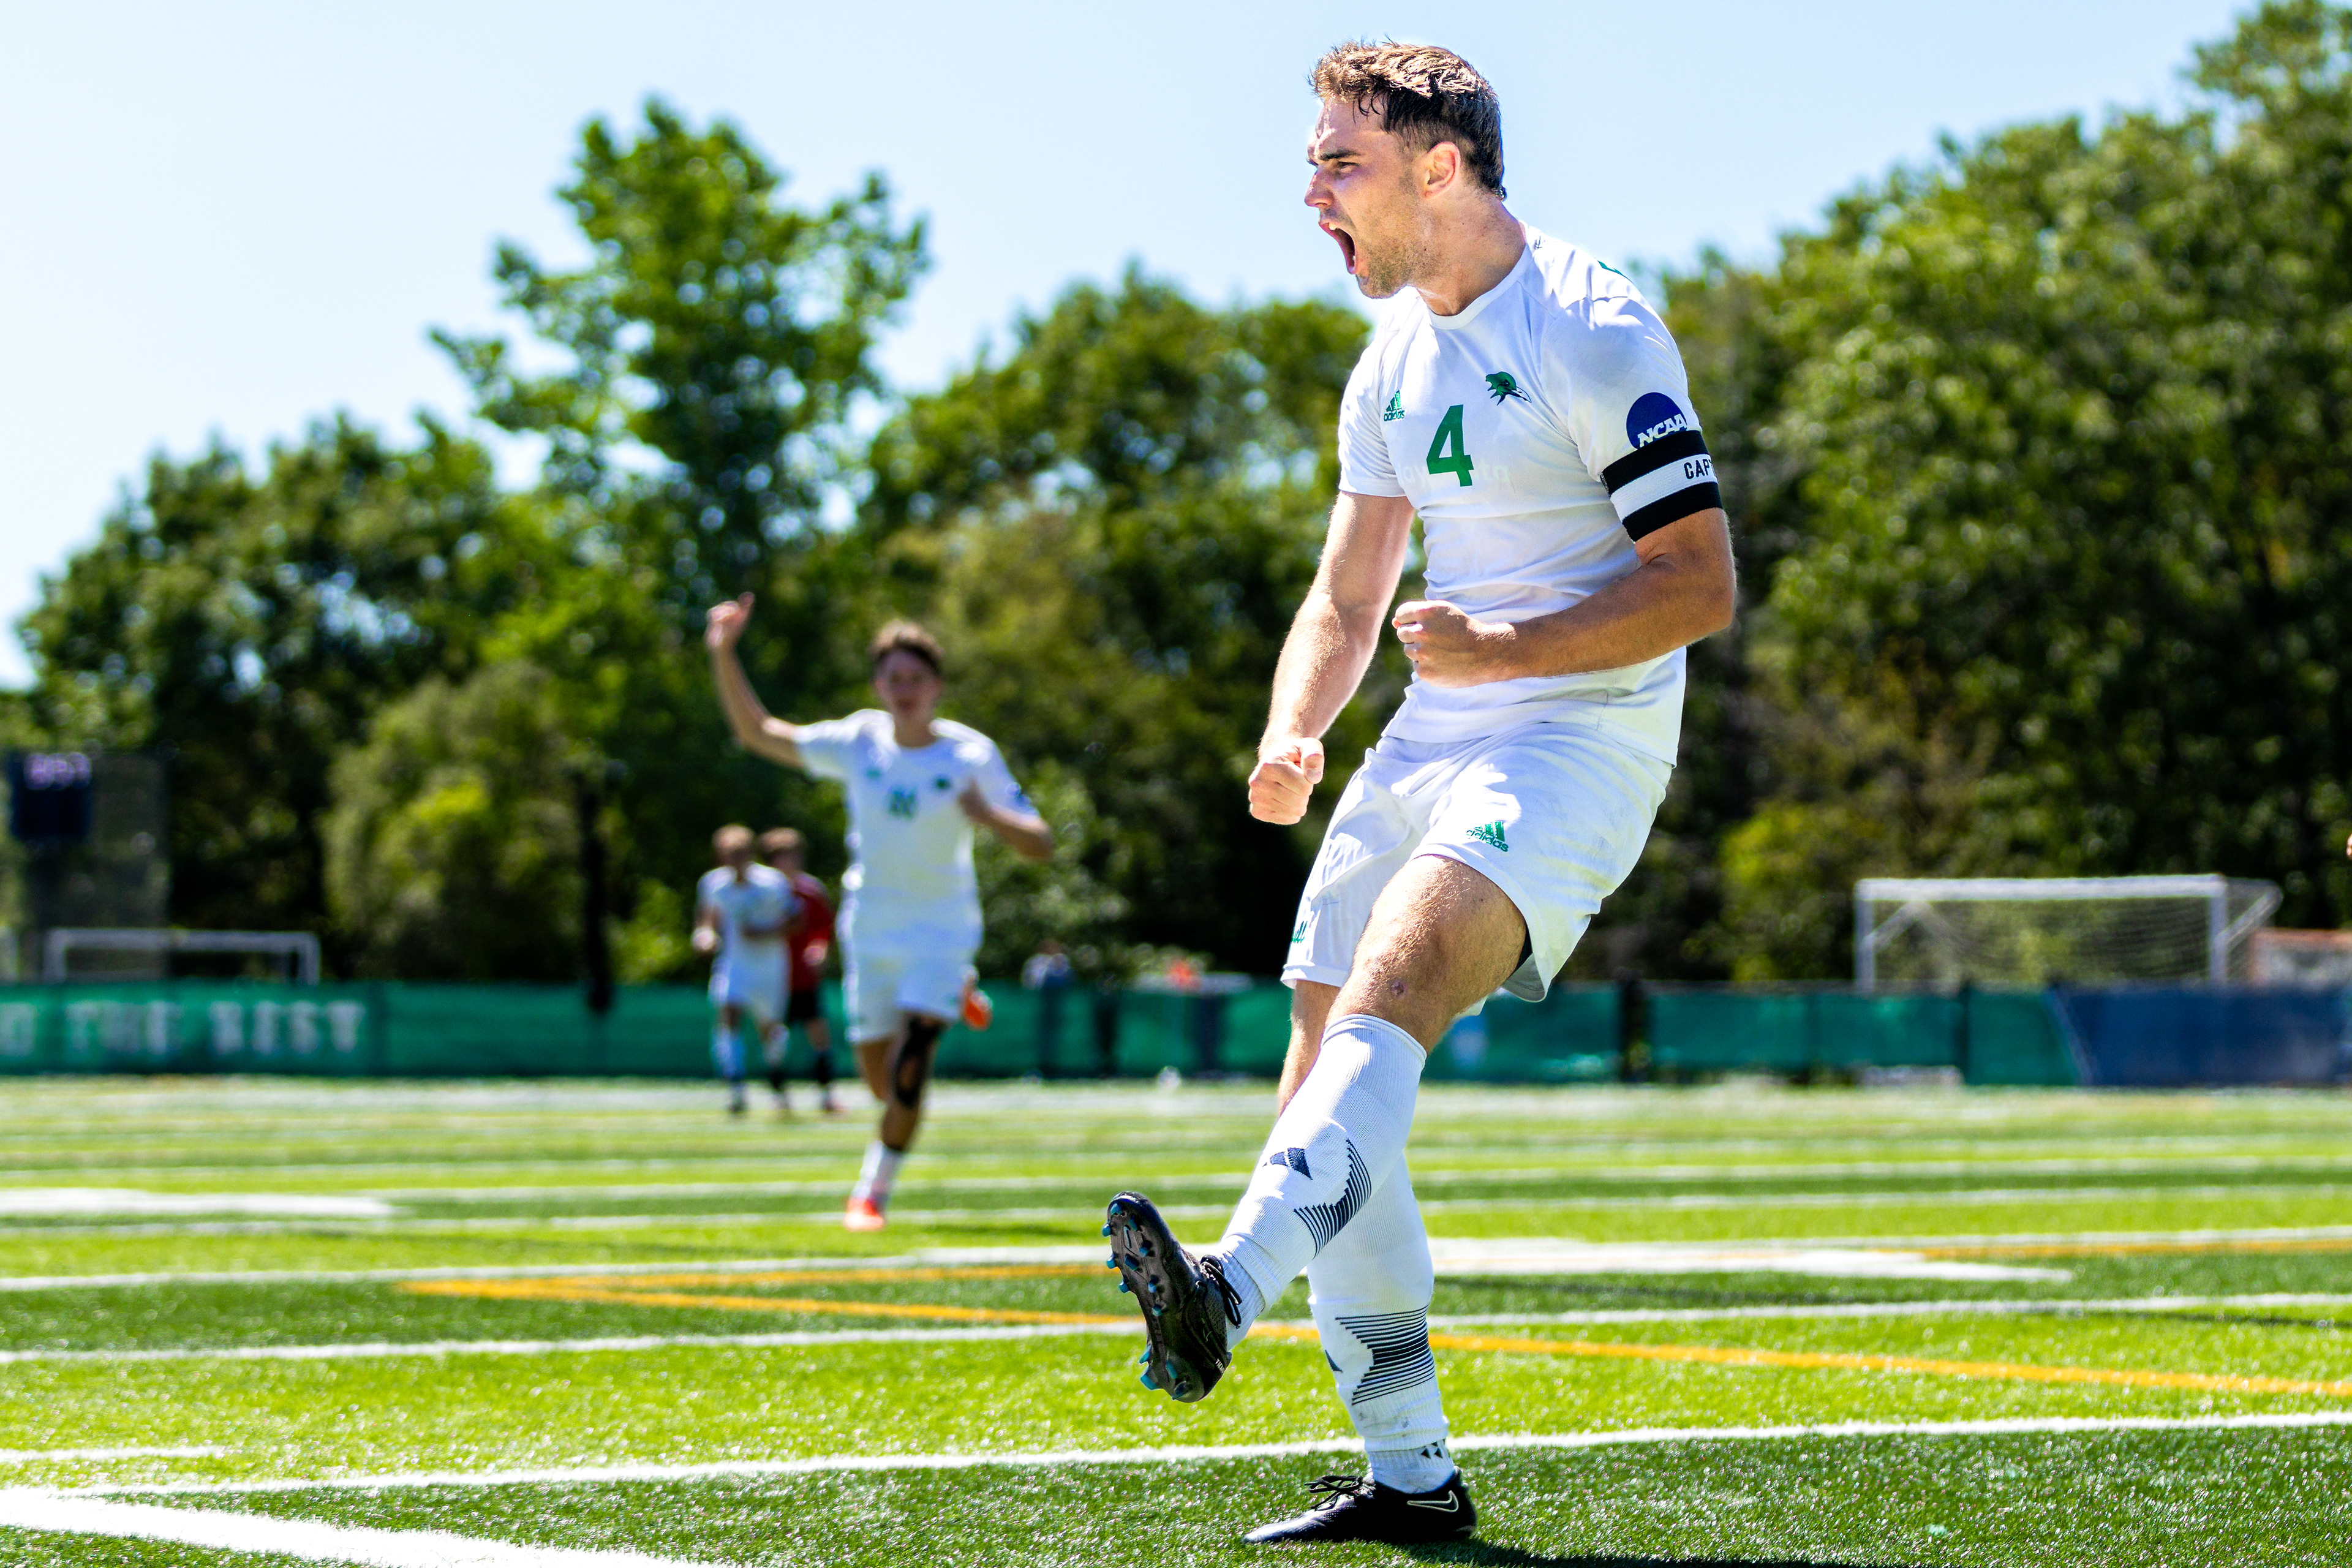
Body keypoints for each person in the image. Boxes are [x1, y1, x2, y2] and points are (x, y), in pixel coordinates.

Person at [1102, 42, 1737, 1547]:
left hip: (1576, 731)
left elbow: (1699, 584)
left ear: (1439, 167)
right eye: (1312, 163)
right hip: (1428, 733)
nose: (1312, 193)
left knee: (1388, 996)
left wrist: (1506, 649)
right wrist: (1293, 727)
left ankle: (1222, 1292)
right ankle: (1410, 1476)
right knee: (1324, 1089)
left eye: (1342, 162)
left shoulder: (1590, 325)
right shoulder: (1388, 357)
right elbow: (1345, 592)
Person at [706, 603, 1054, 1229]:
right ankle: (958, 992)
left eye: (916, 678)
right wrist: (723, 651)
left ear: (937, 686)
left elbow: (1041, 841)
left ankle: (871, 1192)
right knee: (883, 1083)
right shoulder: (857, 741)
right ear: (878, 686)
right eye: (894, 678)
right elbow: (758, 733)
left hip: (942, 931)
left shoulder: (969, 754)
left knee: (912, 1068)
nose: (905, 689)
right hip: (871, 931)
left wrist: (990, 816)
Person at [692, 825, 798, 1117]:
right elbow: (708, 919)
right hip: (734, 963)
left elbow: (795, 920)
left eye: (740, 853)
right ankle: (735, 1087)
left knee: (770, 1028)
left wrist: (764, 933)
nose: (734, 860)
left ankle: (776, 1079)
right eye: (729, 854)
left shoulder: (772, 883)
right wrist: (705, 936)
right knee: (728, 1015)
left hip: (770, 965)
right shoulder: (714, 884)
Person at [758, 827, 840, 1117]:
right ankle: (779, 1096)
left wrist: (820, 950)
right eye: (785, 856)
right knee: (774, 1039)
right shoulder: (763, 892)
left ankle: (827, 1094)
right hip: (773, 977)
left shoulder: (811, 890)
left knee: (819, 1034)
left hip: (803, 978)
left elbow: (823, 929)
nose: (792, 862)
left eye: (795, 855)